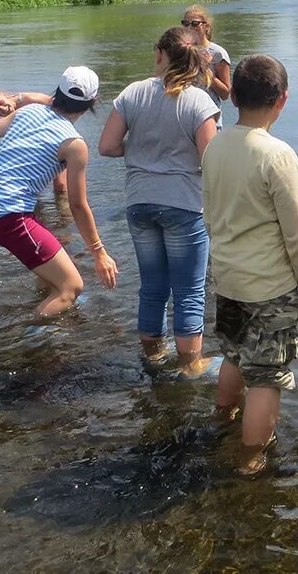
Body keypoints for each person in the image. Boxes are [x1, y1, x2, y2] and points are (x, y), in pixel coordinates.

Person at [201, 54, 298, 476]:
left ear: (233, 95)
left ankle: (222, 421)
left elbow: (208, 213)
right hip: (268, 287)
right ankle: (251, 459)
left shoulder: (215, 145)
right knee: (268, 375)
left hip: (227, 278)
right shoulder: (277, 155)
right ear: (283, 100)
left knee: (235, 355)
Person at [98, 27, 220, 374]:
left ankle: (153, 357)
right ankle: (190, 364)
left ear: (159, 55)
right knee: (189, 290)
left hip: (139, 203)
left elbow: (106, 147)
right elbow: (208, 160)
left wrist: (139, 150)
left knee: (153, 286)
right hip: (183, 204)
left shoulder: (132, 92)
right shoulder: (199, 101)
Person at [0, 66, 118, 317]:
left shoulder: (29, 111)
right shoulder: (74, 144)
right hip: (6, 215)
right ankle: (24, 344)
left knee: (52, 269)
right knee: (72, 287)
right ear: (91, 103)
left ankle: (49, 301)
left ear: (58, 91)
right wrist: (99, 252)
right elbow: (78, 205)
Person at [0, 90, 65, 193]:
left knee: (60, 186)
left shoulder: (29, 100)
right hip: (33, 148)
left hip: (56, 140)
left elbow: (61, 108)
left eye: (1, 102)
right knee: (30, 188)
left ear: (3, 94)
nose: (3, 109)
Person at [182, 5, 232, 124]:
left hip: (209, 119)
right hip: (184, 117)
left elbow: (225, 94)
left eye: (195, 24)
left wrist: (206, 71)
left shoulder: (217, 53)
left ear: (206, 27)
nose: (189, 27)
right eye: (186, 23)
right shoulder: (180, 51)